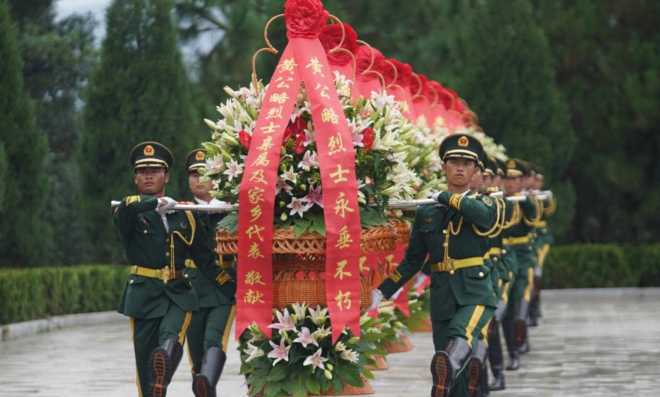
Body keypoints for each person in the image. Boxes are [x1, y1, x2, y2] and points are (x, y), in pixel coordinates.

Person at [371, 134, 497, 397]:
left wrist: (446, 197)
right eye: (454, 162)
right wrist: (382, 290)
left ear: (475, 170)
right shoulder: (427, 211)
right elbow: (413, 260)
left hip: (474, 294)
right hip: (443, 296)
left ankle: (452, 365)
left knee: (458, 341)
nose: (460, 167)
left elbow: (483, 218)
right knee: (449, 374)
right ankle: (450, 376)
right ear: (444, 167)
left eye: (466, 163)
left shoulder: (487, 202)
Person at [113, 142, 236, 397]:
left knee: (170, 337)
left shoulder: (185, 215)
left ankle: (165, 359)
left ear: (166, 176)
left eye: (155, 170)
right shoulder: (130, 214)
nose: (149, 175)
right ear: (135, 177)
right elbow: (125, 206)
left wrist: (234, 289)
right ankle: (157, 379)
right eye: (143, 171)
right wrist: (153, 203)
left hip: (179, 292)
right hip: (144, 295)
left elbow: (206, 264)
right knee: (147, 379)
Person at [183, 149, 236, 397]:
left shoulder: (231, 209)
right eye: (194, 174)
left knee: (213, 343)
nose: (199, 179)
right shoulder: (180, 211)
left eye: (205, 173)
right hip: (192, 290)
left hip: (222, 288)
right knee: (196, 361)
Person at [500, 159, 538, 371]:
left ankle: (521, 335)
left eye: (515, 178)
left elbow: (530, 220)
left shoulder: (526, 201)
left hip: (522, 257)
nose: (511, 182)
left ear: (522, 181)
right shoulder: (499, 200)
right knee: (506, 308)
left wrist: (522, 199)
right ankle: (513, 351)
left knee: (522, 297)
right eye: (508, 178)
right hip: (504, 258)